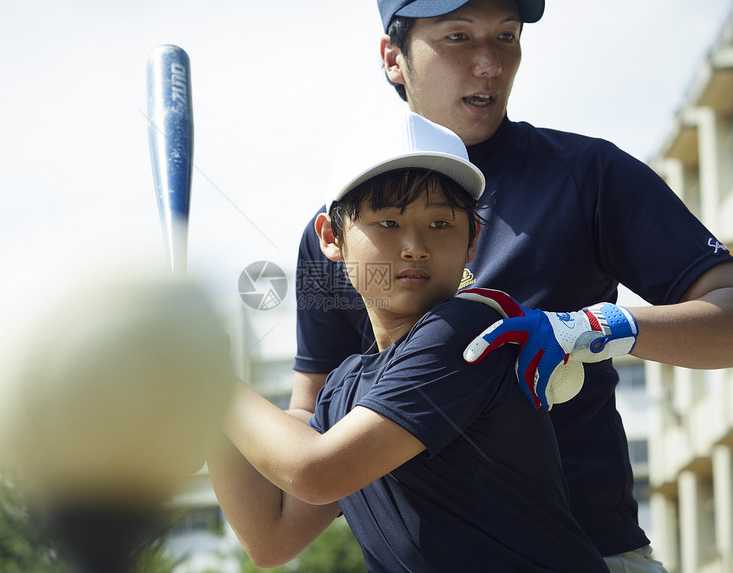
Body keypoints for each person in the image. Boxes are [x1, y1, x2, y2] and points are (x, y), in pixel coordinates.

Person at [292, 0, 733, 570]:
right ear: (393, 58)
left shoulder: (587, 174)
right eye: (457, 37)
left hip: (592, 553)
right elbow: (309, 427)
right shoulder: (336, 232)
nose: (489, 64)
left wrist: (596, 327)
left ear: (472, 233)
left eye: (506, 37)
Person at [209, 110, 608, 572]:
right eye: (387, 223)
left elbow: (316, 472)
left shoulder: (467, 328)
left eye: (440, 224)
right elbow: (271, 538)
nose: (414, 246)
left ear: (472, 239)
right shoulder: (344, 388)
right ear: (330, 237)